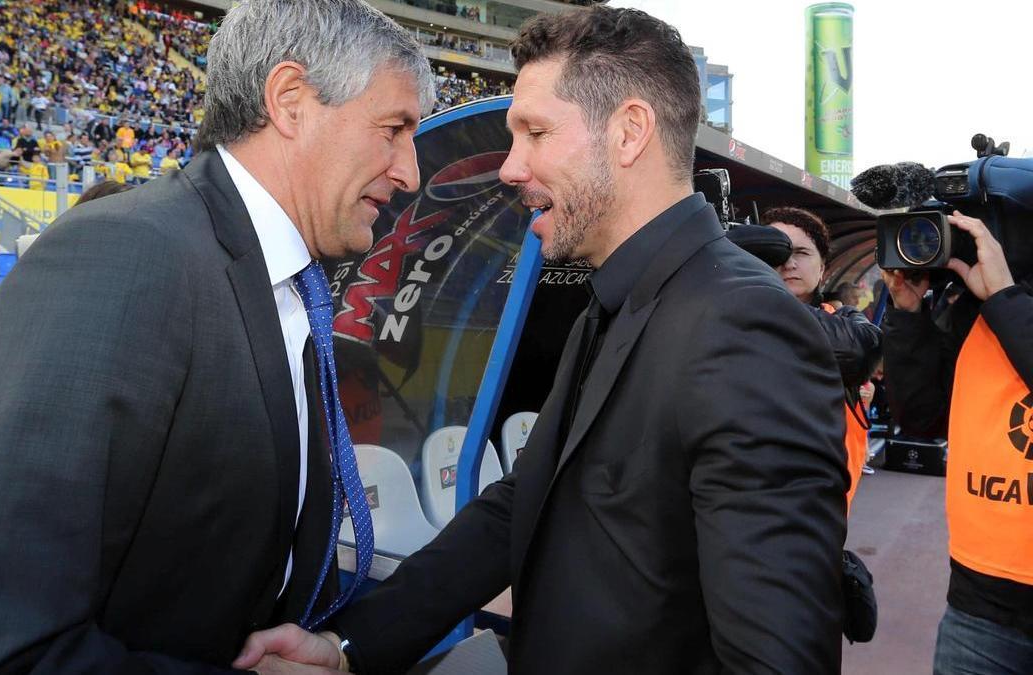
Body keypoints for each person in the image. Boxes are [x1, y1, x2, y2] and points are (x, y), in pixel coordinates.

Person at [237, 6, 848, 674]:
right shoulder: (619, 300)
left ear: (629, 132)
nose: (509, 167)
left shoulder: (745, 327)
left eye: (534, 132)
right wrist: (348, 648)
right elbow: (517, 505)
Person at [0, 0, 432, 672]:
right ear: (291, 101)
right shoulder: (121, 254)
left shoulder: (285, 283)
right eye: (394, 128)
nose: (410, 171)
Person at [880, 211, 1033, 674]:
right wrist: (908, 315)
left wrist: (1005, 297)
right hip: (979, 603)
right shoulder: (976, 314)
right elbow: (923, 419)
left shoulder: (1002, 307)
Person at [765, 206, 882, 504]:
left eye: (802, 253)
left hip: (828, 498)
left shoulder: (845, 319)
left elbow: (860, 353)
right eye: (778, 251)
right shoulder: (732, 317)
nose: (789, 263)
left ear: (823, 269)